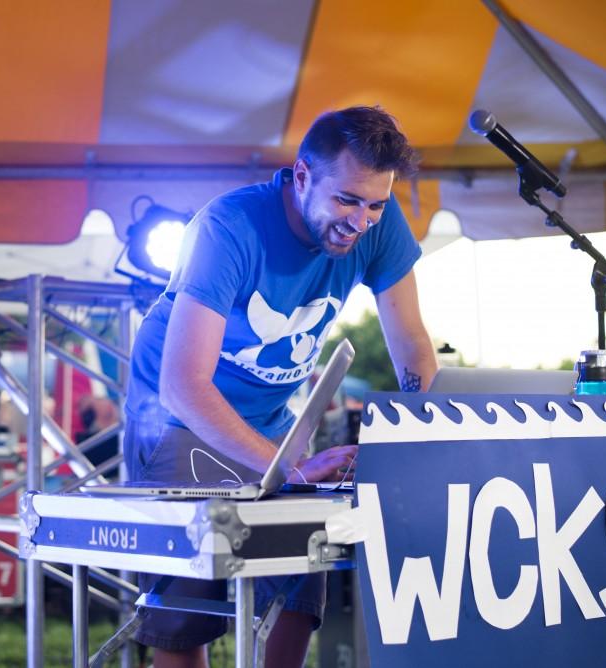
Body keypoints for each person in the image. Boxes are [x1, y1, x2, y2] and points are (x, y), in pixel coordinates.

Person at [123, 106, 438, 667]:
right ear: (301, 176)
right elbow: (183, 385)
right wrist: (287, 469)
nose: (361, 221)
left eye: (375, 205)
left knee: (299, 581)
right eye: (346, 200)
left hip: (272, 418)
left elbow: (412, 342)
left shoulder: (376, 220)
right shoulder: (228, 227)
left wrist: (428, 440)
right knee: (187, 613)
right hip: (178, 415)